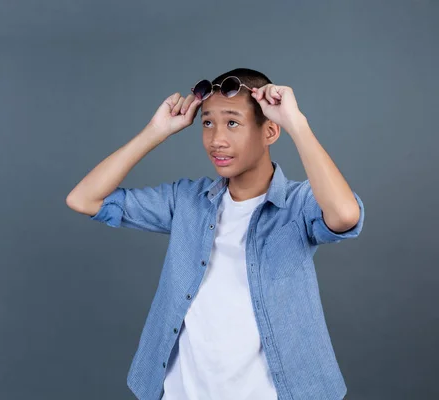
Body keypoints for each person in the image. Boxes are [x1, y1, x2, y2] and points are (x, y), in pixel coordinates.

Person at [66, 68, 364, 400]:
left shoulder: (298, 204)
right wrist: (155, 131)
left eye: (232, 123)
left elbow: (345, 214)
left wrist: (297, 124)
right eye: (208, 123)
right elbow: (84, 199)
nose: (216, 139)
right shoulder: (186, 202)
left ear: (270, 131)